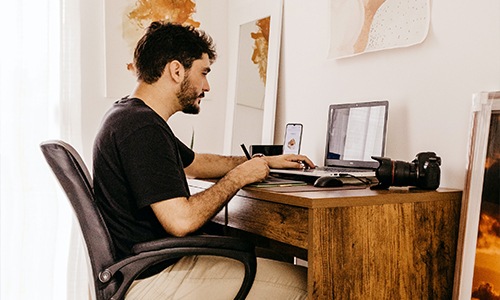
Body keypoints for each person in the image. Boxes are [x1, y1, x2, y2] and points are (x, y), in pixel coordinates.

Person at [93, 21, 315, 299]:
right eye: (203, 72)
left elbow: (196, 163)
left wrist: (266, 161)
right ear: (176, 70)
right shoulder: (142, 128)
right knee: (311, 285)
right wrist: (240, 177)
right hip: (152, 279)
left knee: (273, 258)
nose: (207, 86)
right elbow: (181, 221)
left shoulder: (129, 115)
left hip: (141, 267)